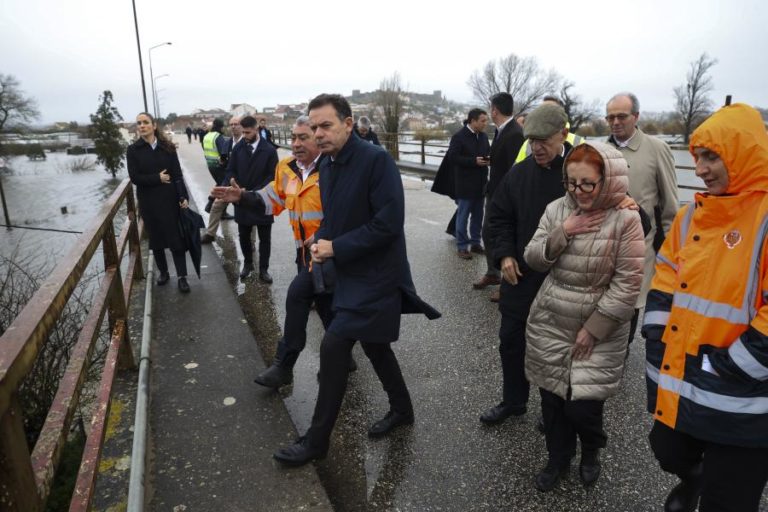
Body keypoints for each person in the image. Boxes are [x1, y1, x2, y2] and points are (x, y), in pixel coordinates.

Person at [272, 94, 439, 466]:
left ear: (348, 123)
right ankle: (402, 409)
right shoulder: (327, 166)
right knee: (373, 343)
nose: (318, 134)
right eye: (314, 127)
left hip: (378, 273)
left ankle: (317, 441)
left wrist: (336, 247)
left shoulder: (376, 160)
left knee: (334, 346)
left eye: (326, 125)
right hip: (347, 268)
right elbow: (336, 217)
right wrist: (321, 238)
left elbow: (388, 224)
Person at [643, 103, 768, 512]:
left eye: (711, 157)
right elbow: (664, 275)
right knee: (667, 450)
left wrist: (730, 365)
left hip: (742, 395)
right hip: (685, 373)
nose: (699, 169)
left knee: (728, 500)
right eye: (697, 158)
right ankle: (694, 477)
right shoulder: (688, 216)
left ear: (742, 153)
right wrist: (656, 337)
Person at [524, 141, 644, 492]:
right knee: (552, 401)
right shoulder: (557, 209)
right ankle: (557, 458)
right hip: (552, 317)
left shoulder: (626, 218)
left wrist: (594, 329)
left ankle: (591, 447)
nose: (579, 192)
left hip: (599, 323)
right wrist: (564, 232)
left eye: (587, 184)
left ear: (606, 180)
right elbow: (533, 256)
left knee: (583, 407)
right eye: (572, 184)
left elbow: (628, 283)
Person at [212, 116, 356, 387]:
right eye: (293, 138)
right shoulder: (286, 167)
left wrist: (329, 238)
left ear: (317, 137)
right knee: (325, 307)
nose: (296, 144)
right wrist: (242, 196)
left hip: (333, 254)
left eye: (303, 137)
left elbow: (349, 212)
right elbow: (272, 200)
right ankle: (342, 357)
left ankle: (285, 366)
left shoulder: (331, 169)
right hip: (305, 254)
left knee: (303, 298)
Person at [481, 104, 574, 425]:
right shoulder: (520, 173)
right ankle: (513, 400)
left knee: (558, 351)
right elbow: (499, 217)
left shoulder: (582, 171)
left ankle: (556, 413)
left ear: (563, 133)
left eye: (544, 141)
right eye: (531, 140)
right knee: (511, 342)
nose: (536, 148)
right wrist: (504, 254)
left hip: (564, 281)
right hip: (520, 277)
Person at [605, 92, 678, 347]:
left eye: (621, 116)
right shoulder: (598, 150)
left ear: (635, 116)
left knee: (630, 306)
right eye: (610, 117)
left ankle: (619, 358)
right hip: (602, 246)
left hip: (640, 247)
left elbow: (670, 206)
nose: (615, 122)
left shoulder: (657, 149)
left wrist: (672, 253)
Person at [127, 112, 192, 293]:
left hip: (170, 199)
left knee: (175, 238)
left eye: (145, 122)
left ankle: (182, 276)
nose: (142, 126)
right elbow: (134, 177)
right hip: (148, 201)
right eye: (139, 123)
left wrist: (183, 197)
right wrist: (157, 178)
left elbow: (177, 175)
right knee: (155, 239)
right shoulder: (133, 150)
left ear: (154, 125)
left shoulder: (168, 147)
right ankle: (163, 272)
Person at [473, 93, 525, 301]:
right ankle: (493, 274)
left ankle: (506, 281)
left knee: (500, 236)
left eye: (490, 109)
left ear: (494, 110)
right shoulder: (502, 131)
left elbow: (515, 169)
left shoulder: (514, 133)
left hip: (504, 197)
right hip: (493, 191)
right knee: (488, 234)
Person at [226, 115, 278, 283]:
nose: (245, 136)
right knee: (243, 235)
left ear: (256, 129)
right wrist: (233, 182)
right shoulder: (238, 149)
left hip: (263, 199)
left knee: (265, 238)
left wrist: (254, 192)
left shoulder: (269, 150)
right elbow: (230, 170)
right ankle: (248, 264)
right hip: (241, 198)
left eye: (248, 132)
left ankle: (264, 269)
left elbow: (272, 176)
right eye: (243, 132)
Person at [448, 108, 491, 259]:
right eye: (483, 121)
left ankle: (475, 243)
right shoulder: (459, 137)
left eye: (486, 120)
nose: (486, 123)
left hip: (481, 184)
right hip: (465, 184)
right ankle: (461, 246)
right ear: (472, 121)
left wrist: (488, 159)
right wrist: (473, 161)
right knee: (463, 215)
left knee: (478, 216)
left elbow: (487, 152)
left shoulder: (484, 137)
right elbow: (452, 158)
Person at [201, 116, 240, 243]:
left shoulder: (246, 142)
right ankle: (210, 234)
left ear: (242, 126)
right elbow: (224, 160)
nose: (233, 126)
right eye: (231, 124)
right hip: (228, 178)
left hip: (243, 182)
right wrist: (222, 162)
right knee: (217, 205)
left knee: (246, 211)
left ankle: (250, 242)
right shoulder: (227, 142)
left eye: (236, 124)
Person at [514, 96, 584, 164]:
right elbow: (518, 166)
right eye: (542, 110)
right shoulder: (527, 144)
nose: (536, 148)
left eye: (544, 139)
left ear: (564, 134)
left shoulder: (578, 141)